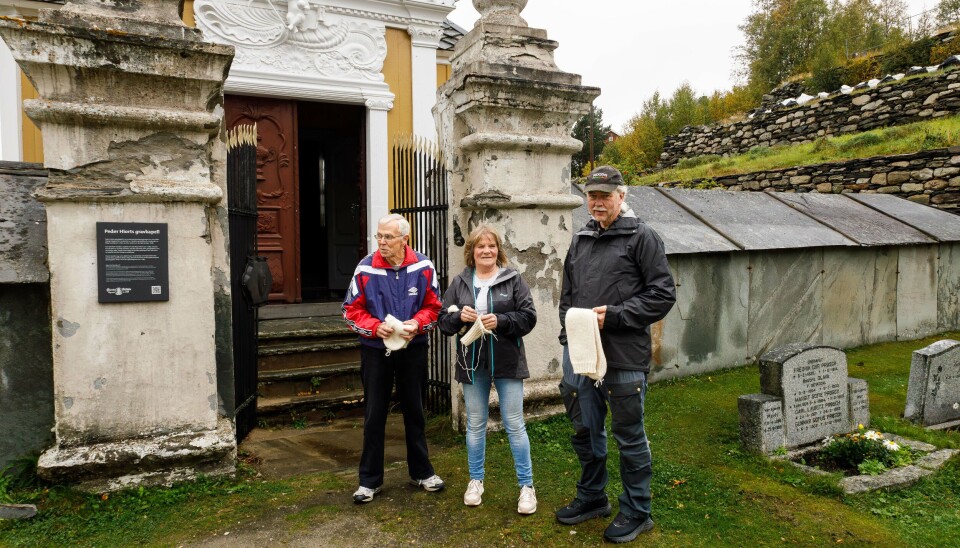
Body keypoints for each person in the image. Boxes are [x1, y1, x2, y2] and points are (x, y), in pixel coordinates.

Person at [555, 166, 676, 543]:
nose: (597, 202)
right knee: (585, 430)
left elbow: (663, 294)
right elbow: (568, 297)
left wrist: (618, 316)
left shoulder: (642, 237)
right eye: (592, 195)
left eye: (605, 196)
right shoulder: (581, 239)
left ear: (621, 196)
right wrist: (569, 337)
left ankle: (637, 511)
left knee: (629, 435)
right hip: (581, 356)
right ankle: (593, 497)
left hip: (623, 357)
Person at [343, 213, 445, 503]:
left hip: (414, 348)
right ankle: (369, 481)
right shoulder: (365, 268)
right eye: (379, 236)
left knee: (415, 411)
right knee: (374, 414)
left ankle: (422, 473)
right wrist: (375, 328)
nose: (382, 242)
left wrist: (418, 323)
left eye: (388, 237)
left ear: (405, 240)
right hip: (376, 351)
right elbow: (350, 310)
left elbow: (434, 306)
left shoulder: (423, 265)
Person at [438, 225, 538, 515]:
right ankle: (476, 481)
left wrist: (502, 321)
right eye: (480, 246)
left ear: (498, 250)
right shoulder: (460, 282)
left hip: (508, 361)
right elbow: (443, 323)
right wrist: (459, 318)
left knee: (515, 424)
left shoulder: (513, 279)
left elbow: (529, 318)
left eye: (491, 246)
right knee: (476, 424)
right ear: (472, 251)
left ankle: (526, 487)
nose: (486, 251)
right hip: (473, 363)